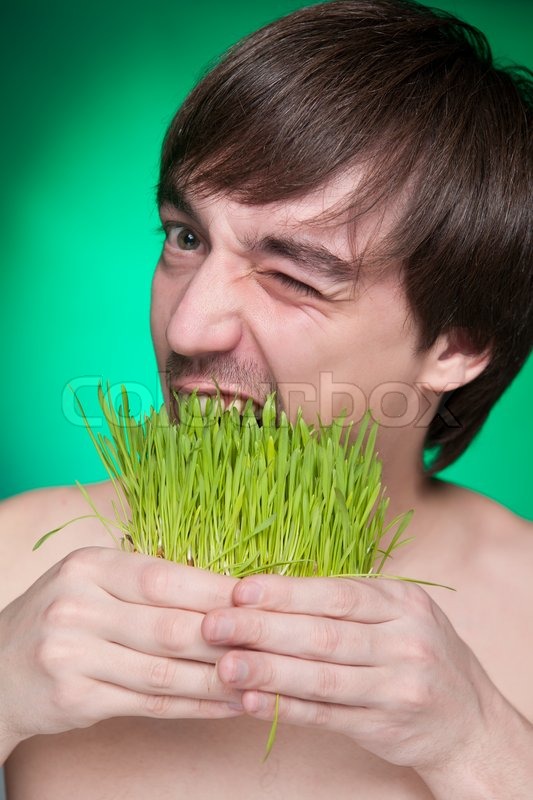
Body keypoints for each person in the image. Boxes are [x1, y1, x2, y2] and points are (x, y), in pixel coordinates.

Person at [1, 0, 532, 796]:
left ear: (455, 347)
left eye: (292, 276)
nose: (189, 326)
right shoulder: (13, 561)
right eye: (186, 238)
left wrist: (478, 739)